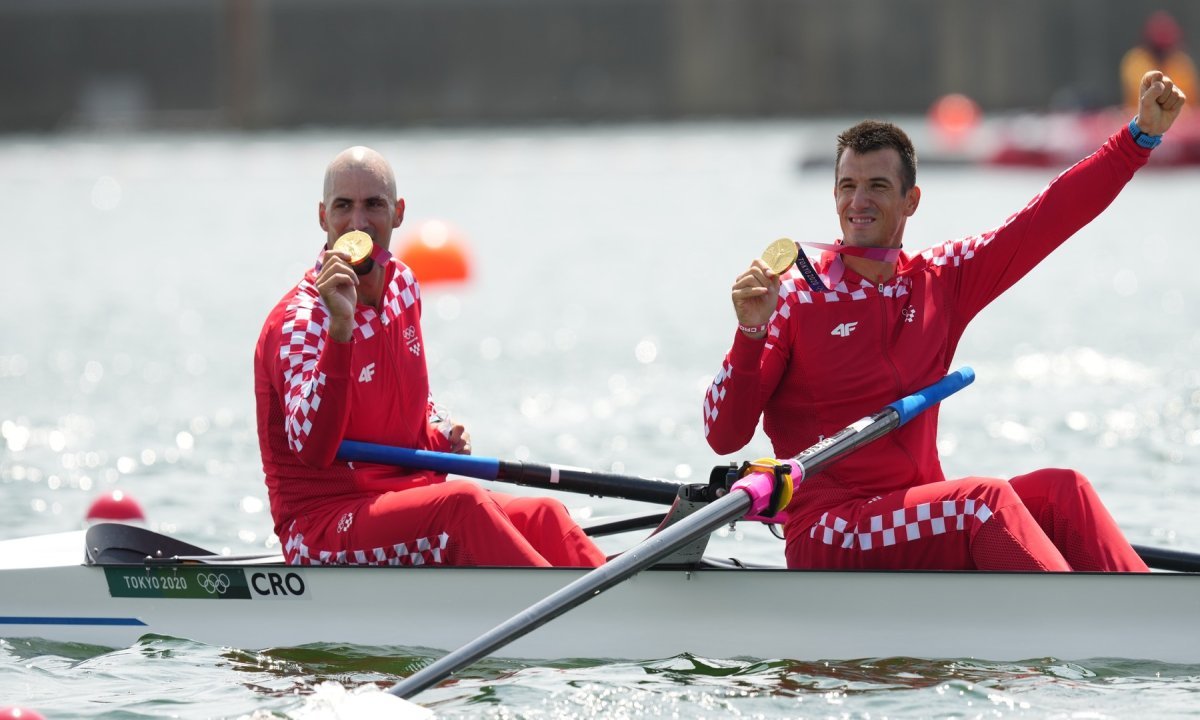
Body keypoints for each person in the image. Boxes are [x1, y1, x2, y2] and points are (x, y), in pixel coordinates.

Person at [703, 72, 1186, 572]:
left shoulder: (941, 279)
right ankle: (1080, 626)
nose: (858, 202)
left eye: (877, 186)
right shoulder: (794, 298)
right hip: (830, 528)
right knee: (983, 501)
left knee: (1066, 492)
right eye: (847, 186)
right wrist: (749, 335)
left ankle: (1146, 625)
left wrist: (1138, 139)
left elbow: (1047, 217)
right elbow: (724, 434)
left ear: (911, 201)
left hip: (913, 513)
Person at [254, 146, 606, 568]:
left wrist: (440, 430)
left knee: (545, 514)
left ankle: (621, 609)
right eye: (343, 206)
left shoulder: (403, 284)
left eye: (374, 205)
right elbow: (311, 446)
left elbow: (411, 403)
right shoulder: (298, 321)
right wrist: (340, 331)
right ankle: (578, 617)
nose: (358, 223)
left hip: (404, 501)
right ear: (322, 216)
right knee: (464, 504)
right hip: (322, 526)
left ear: (398, 212)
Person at [1121, 11, 1197, 112]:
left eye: (1166, 48)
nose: (1163, 53)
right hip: (1140, 120)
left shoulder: (1181, 63)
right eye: (1158, 49)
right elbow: (1140, 98)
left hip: (1180, 121)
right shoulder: (1136, 62)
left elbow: (1189, 99)